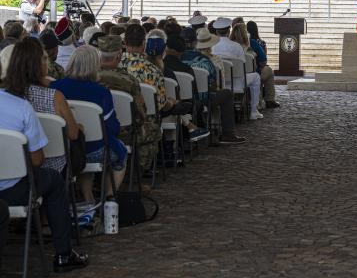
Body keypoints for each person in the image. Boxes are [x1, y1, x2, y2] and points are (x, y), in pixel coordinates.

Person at [0, 85, 88, 272]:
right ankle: (63, 253)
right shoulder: (20, 106)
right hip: (13, 190)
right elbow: (37, 160)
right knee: (55, 180)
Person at [51, 46, 128, 202]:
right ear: (95, 65)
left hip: (65, 149)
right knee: (121, 152)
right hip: (95, 150)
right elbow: (112, 128)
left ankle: (88, 196)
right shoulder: (101, 92)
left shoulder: (55, 87)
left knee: (85, 147)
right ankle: (109, 198)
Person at [4, 38, 81, 173]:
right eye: (44, 59)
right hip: (54, 164)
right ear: (37, 65)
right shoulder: (54, 96)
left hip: (14, 163)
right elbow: (74, 134)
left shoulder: (7, 96)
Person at [97, 34, 164, 171]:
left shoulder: (91, 77)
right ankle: (138, 169)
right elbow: (141, 112)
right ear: (118, 56)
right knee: (153, 129)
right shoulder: (129, 81)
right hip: (125, 133)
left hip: (95, 131)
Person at [180, 27, 246, 143]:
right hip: (203, 99)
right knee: (227, 94)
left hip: (182, 98)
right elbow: (216, 84)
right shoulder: (209, 61)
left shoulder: (179, 60)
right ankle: (228, 134)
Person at [213, 18, 272, 109]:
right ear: (228, 31)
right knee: (256, 77)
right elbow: (243, 64)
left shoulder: (212, 47)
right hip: (237, 82)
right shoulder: (236, 47)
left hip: (218, 82)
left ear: (216, 32)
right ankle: (254, 110)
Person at [242, 21, 278, 108]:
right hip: (254, 73)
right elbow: (263, 60)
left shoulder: (233, 44)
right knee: (269, 71)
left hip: (234, 75)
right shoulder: (258, 43)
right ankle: (269, 99)